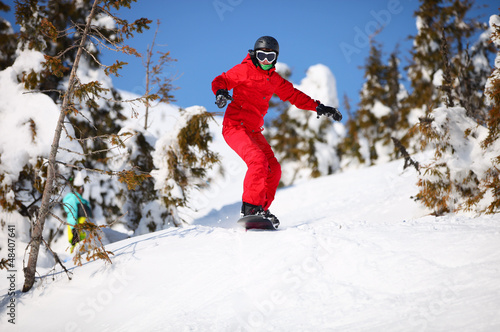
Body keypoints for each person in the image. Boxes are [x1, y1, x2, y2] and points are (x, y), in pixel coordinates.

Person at [212, 36, 342, 228]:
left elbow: (295, 96)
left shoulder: (274, 80)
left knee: (274, 169)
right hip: (235, 126)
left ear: (275, 58)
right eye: (261, 56)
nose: (265, 61)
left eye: (270, 57)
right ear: (255, 55)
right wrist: (221, 92)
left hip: (253, 130)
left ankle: (261, 209)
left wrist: (319, 108)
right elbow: (222, 80)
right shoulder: (244, 70)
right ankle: (250, 208)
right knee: (258, 161)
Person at [63, 173, 92, 251]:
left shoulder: (82, 200)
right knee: (77, 253)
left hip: (85, 234)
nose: (81, 189)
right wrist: (74, 229)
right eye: (78, 187)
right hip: (78, 234)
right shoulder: (71, 198)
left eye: (81, 187)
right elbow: (71, 213)